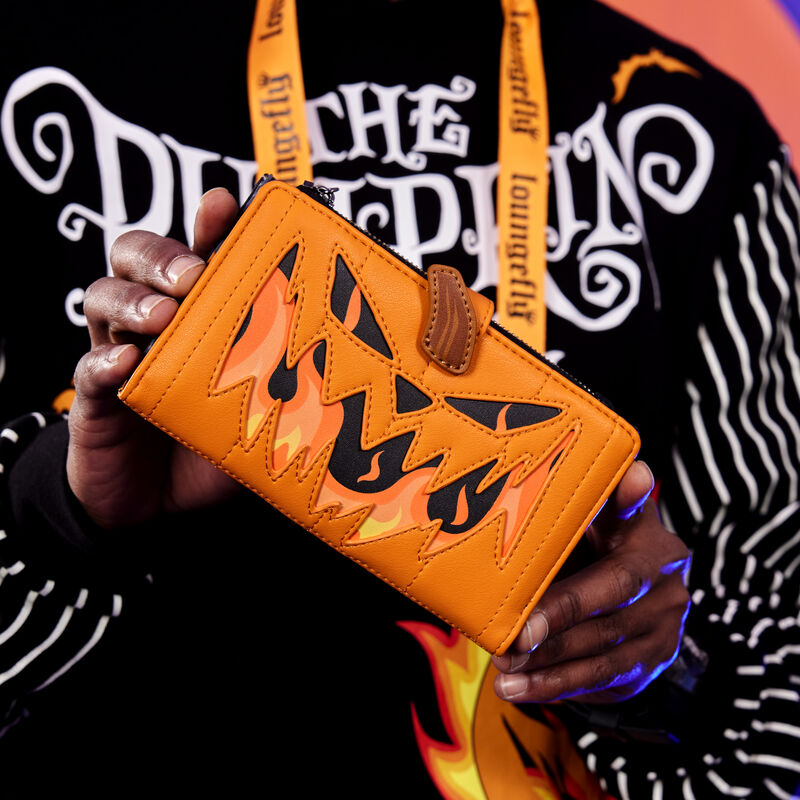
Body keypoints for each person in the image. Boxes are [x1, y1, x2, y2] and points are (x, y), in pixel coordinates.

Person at [1, 1, 799, 797]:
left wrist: (664, 665)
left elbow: (777, 671)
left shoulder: (689, 124)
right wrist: (65, 513)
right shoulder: (29, 80)